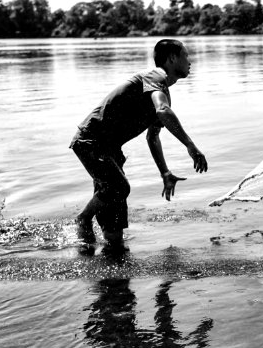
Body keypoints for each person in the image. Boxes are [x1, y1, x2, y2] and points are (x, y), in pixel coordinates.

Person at [70, 39, 208, 249]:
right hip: (91, 141)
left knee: (114, 235)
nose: (190, 61)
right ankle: (83, 218)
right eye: (186, 56)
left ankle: (106, 262)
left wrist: (165, 173)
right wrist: (190, 145)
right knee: (119, 187)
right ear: (172, 59)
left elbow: (152, 137)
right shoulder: (156, 76)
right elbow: (162, 111)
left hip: (110, 150)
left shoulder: (161, 92)